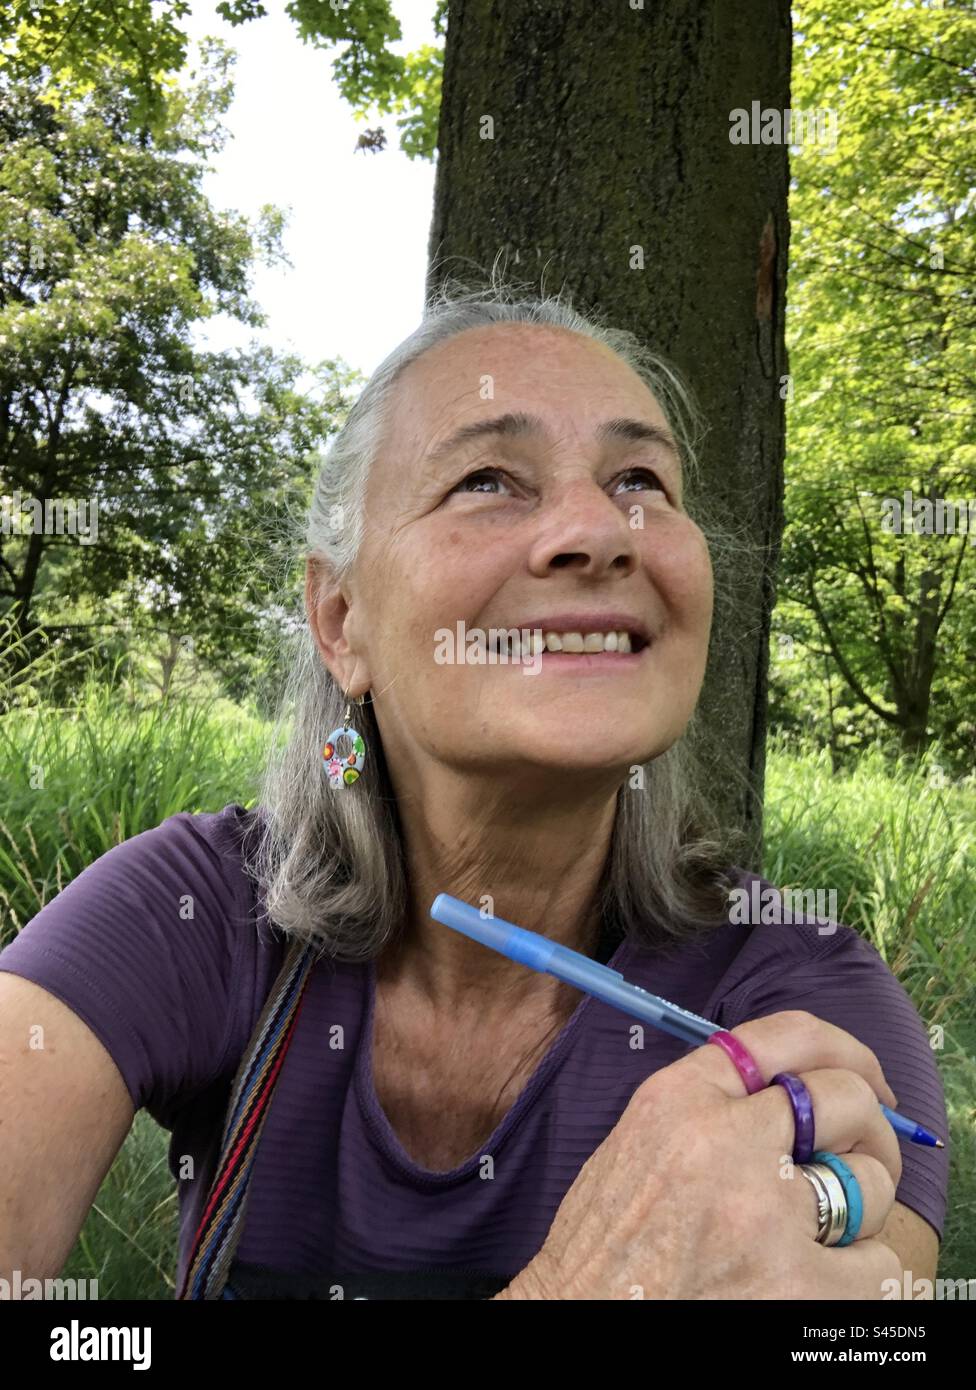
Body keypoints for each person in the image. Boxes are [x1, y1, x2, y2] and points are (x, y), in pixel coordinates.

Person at [0, 278, 948, 1300]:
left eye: (640, 478)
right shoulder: (193, 910)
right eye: (489, 479)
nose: (600, 529)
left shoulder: (799, 1001)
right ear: (340, 620)